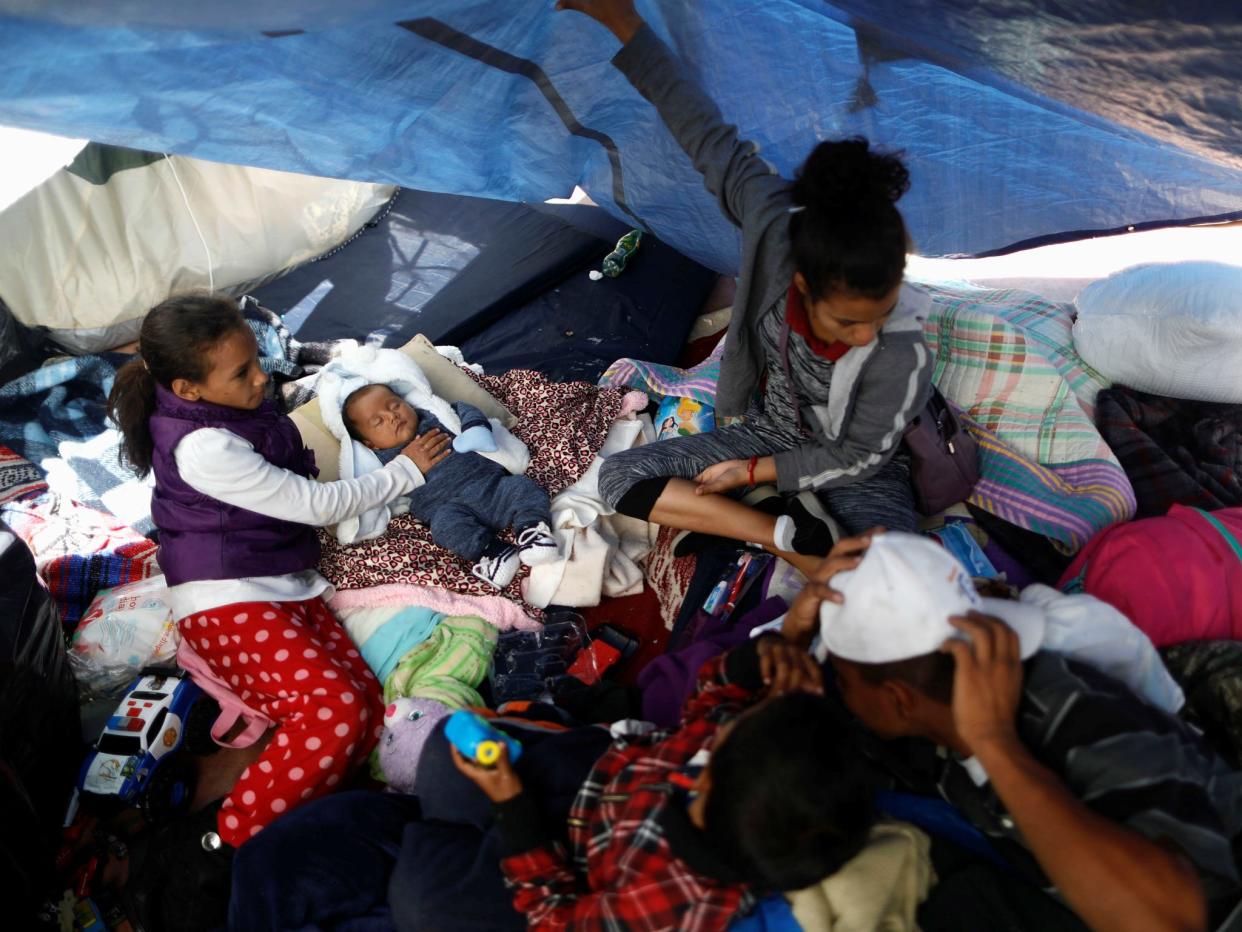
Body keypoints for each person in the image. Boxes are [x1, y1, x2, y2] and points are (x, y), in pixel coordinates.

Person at [229, 584, 877, 932]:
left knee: (426, 897)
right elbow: (715, 702)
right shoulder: (739, 765)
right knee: (442, 754)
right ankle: (449, 824)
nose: (730, 720)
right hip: (587, 777)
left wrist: (513, 806)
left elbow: (556, 915)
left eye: (738, 727)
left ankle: (451, 836)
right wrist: (772, 647)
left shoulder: (676, 902)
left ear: (706, 785)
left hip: (557, 855)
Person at [106, 294, 450, 926]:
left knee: (367, 708)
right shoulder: (202, 447)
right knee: (335, 712)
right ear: (188, 386)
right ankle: (214, 848)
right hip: (225, 601)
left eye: (255, 360)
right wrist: (405, 470)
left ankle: (270, 809)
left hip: (278, 582)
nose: (262, 377)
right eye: (241, 373)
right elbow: (320, 506)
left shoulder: (229, 412)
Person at [561, 0, 934, 576]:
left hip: (853, 461)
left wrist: (756, 474)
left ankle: (778, 514)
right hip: (772, 428)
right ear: (803, 281)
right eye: (847, 321)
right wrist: (622, 22)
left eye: (881, 312)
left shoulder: (902, 351)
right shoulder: (773, 226)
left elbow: (861, 455)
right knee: (618, 478)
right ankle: (785, 533)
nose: (867, 334)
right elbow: (701, 129)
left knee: (898, 571)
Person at [784, 531, 1242, 931]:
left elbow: (1170, 921)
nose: (835, 692)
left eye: (841, 681)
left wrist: (994, 743)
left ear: (900, 700)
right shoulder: (940, 715)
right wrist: (793, 638)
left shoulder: (1074, 715)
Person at [342, 383, 558, 588]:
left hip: (491, 485)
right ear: (370, 444)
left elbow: (463, 409)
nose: (392, 416)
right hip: (449, 509)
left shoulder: (435, 417)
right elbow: (368, 490)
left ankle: (533, 532)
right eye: (378, 422)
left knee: (522, 487)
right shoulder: (381, 462)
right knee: (443, 528)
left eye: (394, 405)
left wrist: (475, 427)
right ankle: (493, 552)